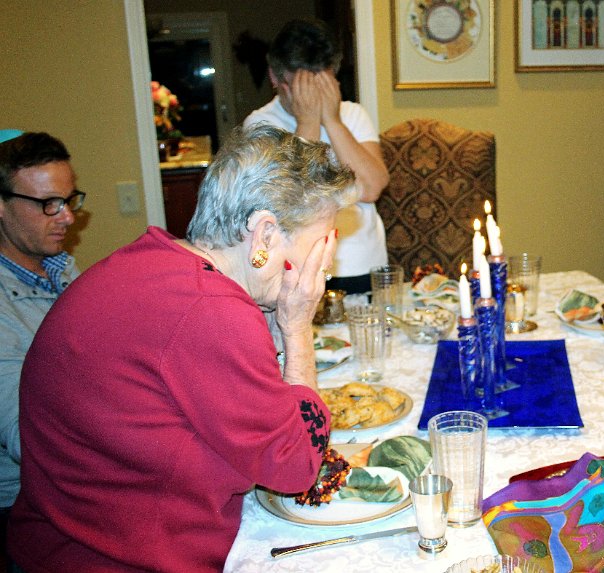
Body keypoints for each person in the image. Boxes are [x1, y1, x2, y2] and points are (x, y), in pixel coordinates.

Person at [8, 125, 357, 572]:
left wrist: (272, 307)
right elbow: (296, 466)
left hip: (61, 538)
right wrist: (298, 328)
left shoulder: (159, 261)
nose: (324, 266)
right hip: (109, 558)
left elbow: (248, 406)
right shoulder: (209, 310)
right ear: (265, 234)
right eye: (319, 244)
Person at [244, 18, 390, 294]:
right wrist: (309, 122)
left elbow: (371, 188)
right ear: (275, 77)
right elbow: (286, 199)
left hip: (362, 263)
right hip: (295, 265)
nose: (312, 94)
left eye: (320, 82)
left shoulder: (353, 115)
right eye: (302, 85)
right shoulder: (259, 124)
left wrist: (333, 122)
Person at [0, 131, 84, 563]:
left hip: (79, 478)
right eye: (48, 204)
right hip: (27, 505)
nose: (66, 217)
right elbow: (27, 437)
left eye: (69, 199)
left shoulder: (61, 270)